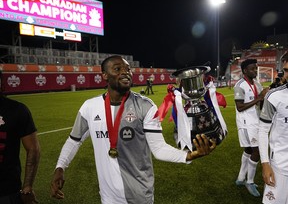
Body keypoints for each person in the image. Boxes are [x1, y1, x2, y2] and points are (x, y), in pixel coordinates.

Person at [50, 55, 216, 204]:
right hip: (108, 197)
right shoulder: (90, 107)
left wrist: (189, 155)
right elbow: (74, 140)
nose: (126, 72)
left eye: (128, 69)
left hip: (139, 195)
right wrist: (60, 167)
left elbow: (158, 149)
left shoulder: (145, 106)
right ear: (104, 76)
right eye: (118, 69)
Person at [0, 71, 40, 204]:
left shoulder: (16, 110)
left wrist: (27, 187)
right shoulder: (17, 109)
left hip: (7, 191)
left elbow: (33, 149)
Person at [233, 59, 269, 197]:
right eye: (252, 69)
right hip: (246, 123)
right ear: (245, 71)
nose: (255, 71)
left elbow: (260, 102)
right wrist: (259, 97)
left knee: (248, 150)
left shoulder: (258, 84)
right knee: (257, 151)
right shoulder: (239, 85)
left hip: (256, 121)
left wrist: (266, 96)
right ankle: (250, 181)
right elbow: (240, 107)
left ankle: (241, 178)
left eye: (256, 68)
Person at [258, 54, 288, 204]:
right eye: (287, 70)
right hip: (280, 166)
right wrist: (265, 164)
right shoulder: (274, 97)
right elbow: (263, 131)